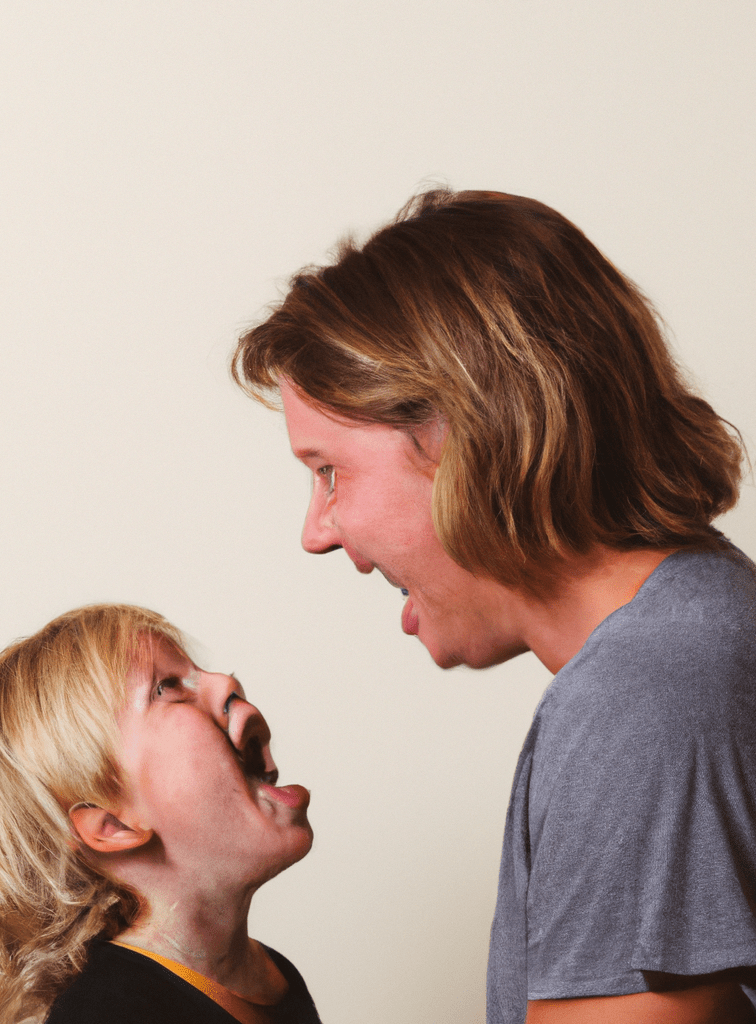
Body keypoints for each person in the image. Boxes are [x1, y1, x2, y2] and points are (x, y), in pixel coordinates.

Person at [232, 188, 756, 1024]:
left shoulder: (643, 697)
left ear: (465, 435)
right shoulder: (703, 630)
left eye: (329, 471)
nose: (317, 533)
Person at [0, 603, 319, 1024]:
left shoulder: (272, 976)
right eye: (167, 687)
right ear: (114, 825)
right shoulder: (105, 1012)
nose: (227, 681)